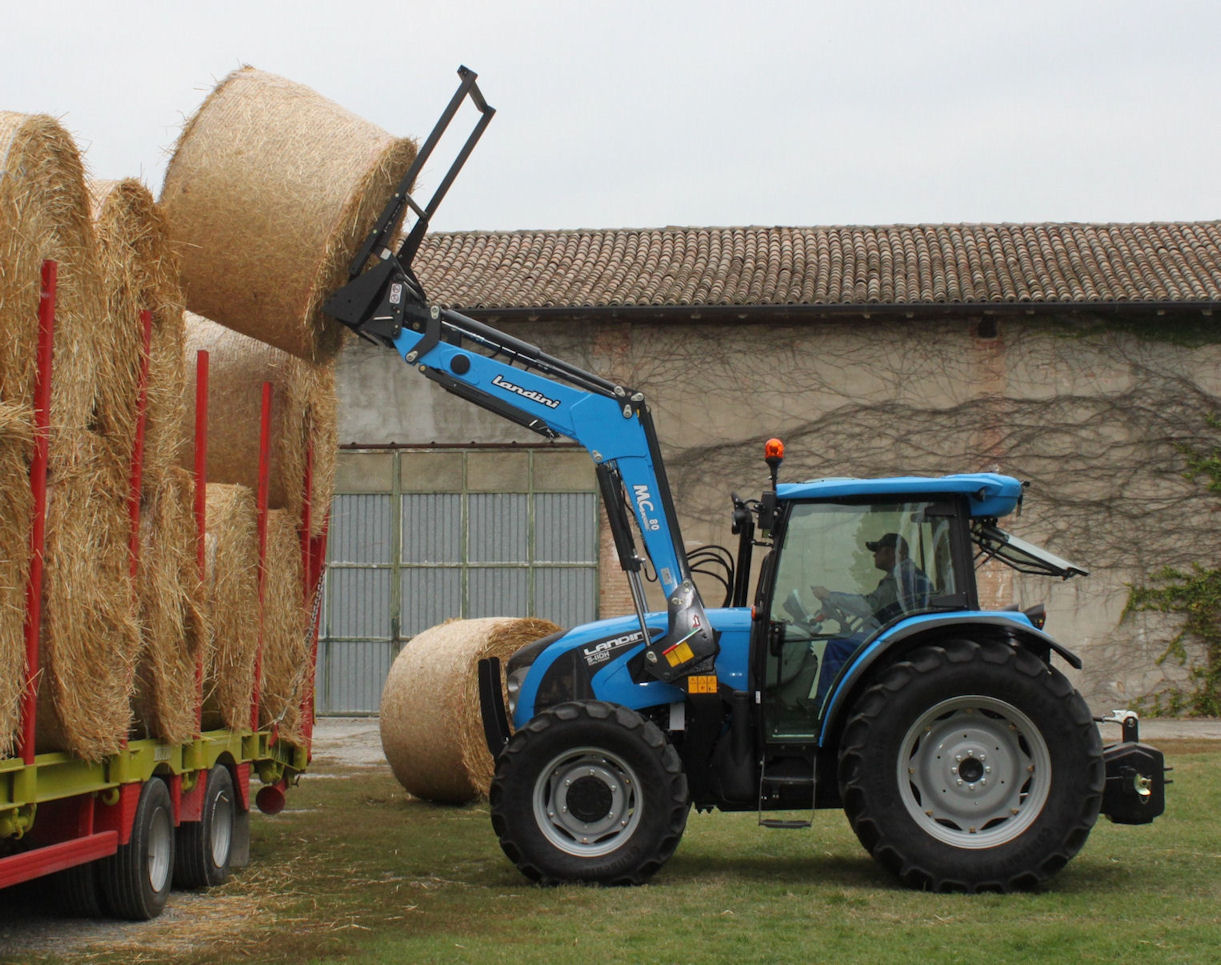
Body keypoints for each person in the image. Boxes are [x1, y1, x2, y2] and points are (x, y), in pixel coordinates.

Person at [811, 532, 933, 629]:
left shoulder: (902, 577)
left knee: (836, 646)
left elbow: (868, 606)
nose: (874, 555)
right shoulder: (912, 575)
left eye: (877, 550)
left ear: (891, 552)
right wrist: (845, 607)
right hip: (899, 633)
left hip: (897, 637)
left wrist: (829, 596)